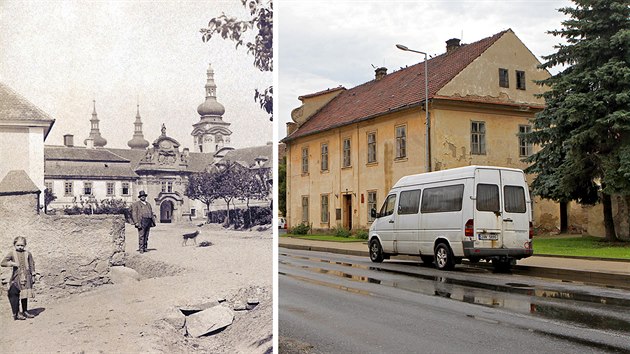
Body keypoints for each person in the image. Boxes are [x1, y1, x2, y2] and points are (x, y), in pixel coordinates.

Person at [1, 236, 37, 320]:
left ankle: (25, 311)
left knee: (25, 294)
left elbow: (32, 264)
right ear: (14, 245)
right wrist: (12, 264)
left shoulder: (28, 253)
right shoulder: (12, 253)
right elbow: (3, 263)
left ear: (25, 245)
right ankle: (17, 313)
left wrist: (33, 275)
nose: (20, 247)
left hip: (27, 276)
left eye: (22, 245)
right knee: (15, 293)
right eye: (18, 245)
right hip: (17, 276)